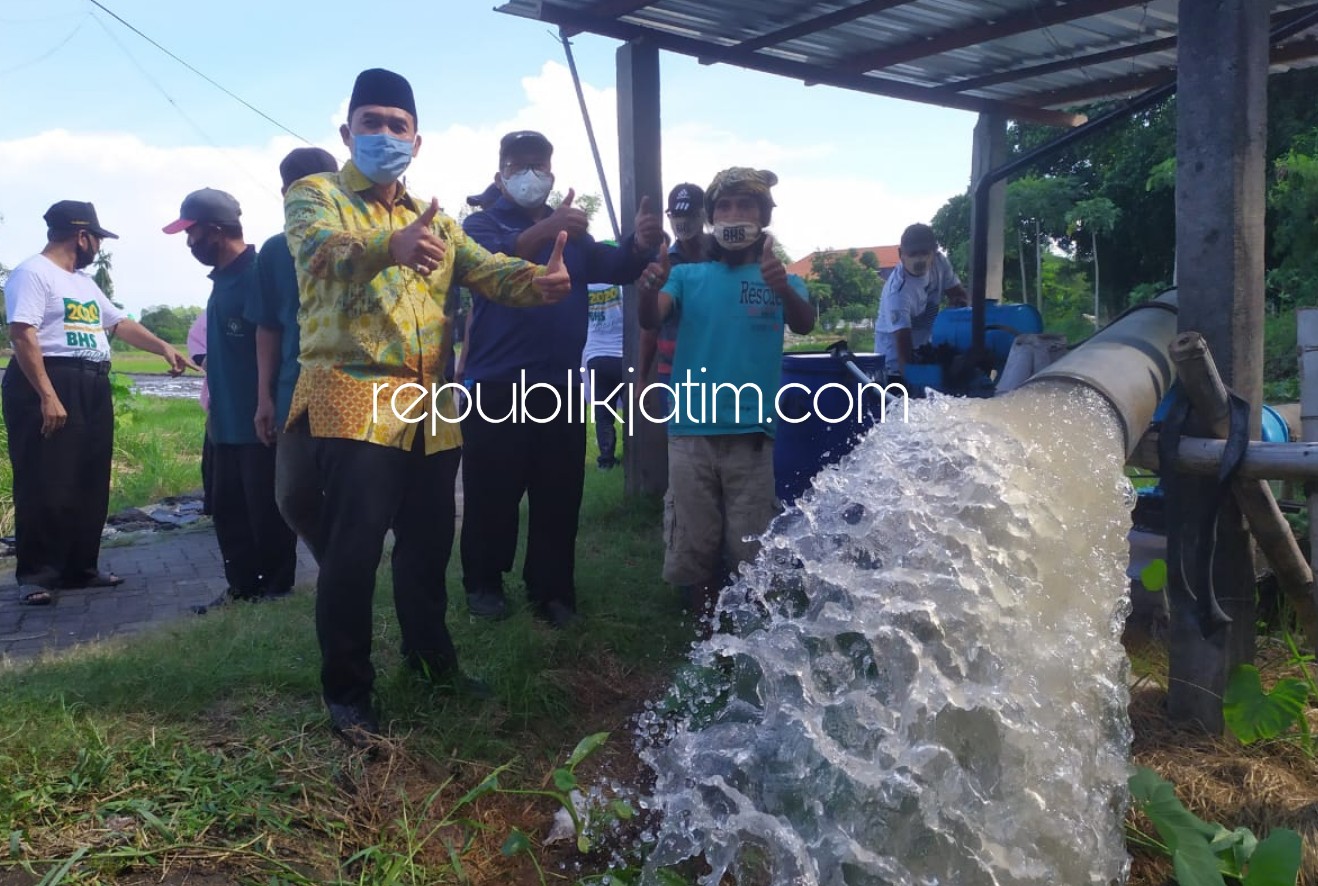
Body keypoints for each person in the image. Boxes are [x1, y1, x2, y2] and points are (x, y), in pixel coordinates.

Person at [283, 69, 572, 743]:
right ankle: (348, 691)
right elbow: (317, 250)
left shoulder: (439, 219)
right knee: (352, 552)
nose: (384, 134)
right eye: (371, 121)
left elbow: (490, 270)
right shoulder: (315, 194)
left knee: (427, 546)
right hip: (354, 392)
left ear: (418, 139)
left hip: (433, 404)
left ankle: (432, 663)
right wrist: (391, 244)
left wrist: (543, 281)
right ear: (346, 130)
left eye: (397, 124)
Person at [460, 130, 662, 627]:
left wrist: (639, 244)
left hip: (561, 387)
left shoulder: (571, 234)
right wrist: (548, 227)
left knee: (559, 494)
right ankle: (484, 584)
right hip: (495, 386)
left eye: (539, 164)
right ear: (500, 172)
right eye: (518, 164)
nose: (530, 173)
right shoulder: (479, 226)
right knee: (493, 493)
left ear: (551, 173)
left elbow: (614, 265)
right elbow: (499, 259)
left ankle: (552, 592)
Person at [638, 167, 814, 624]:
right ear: (712, 217)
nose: (735, 214)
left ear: (764, 215)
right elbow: (650, 318)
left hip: (753, 439)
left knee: (749, 547)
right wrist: (649, 287)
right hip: (691, 435)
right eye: (724, 206)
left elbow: (805, 323)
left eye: (746, 205)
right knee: (695, 543)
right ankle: (706, 633)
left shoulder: (782, 278)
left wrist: (781, 288)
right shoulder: (688, 276)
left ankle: (749, 634)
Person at [3, 200, 193, 605]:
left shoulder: (83, 283)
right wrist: (48, 395)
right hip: (49, 380)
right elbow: (22, 334)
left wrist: (162, 346)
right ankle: (38, 575)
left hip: (90, 383)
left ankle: (78, 568)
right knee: (45, 480)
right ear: (82, 236)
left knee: (88, 479)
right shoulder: (33, 273)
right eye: (97, 239)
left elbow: (118, 323)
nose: (98, 248)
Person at [164, 188, 299, 609]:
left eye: (193, 233)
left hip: (259, 417)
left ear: (217, 231)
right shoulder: (222, 280)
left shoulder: (259, 272)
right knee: (227, 509)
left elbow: (277, 342)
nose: (190, 243)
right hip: (224, 422)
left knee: (266, 510)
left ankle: (277, 588)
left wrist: (269, 402)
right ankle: (242, 586)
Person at [250, 147, 340, 558]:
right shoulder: (273, 251)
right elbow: (267, 326)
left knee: (357, 495)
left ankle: (351, 573)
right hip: (294, 393)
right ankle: (336, 563)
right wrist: (264, 397)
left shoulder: (365, 243)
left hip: (354, 391)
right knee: (294, 497)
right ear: (285, 193)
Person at [873, 223, 969, 380]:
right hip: (894, 366)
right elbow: (904, 354)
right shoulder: (898, 292)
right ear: (901, 254)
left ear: (934, 251)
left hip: (923, 353)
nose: (919, 259)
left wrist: (958, 308)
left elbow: (959, 294)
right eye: (912, 253)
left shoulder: (940, 264)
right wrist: (918, 383)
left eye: (924, 252)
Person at [640, 182, 710, 392]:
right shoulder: (664, 262)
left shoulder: (722, 257)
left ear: (704, 215)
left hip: (717, 365)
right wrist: (642, 377)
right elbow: (651, 326)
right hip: (673, 370)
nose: (682, 221)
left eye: (689, 214)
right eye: (676, 215)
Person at [582, 272, 624, 469]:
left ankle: (606, 459)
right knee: (634, 410)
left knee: (603, 411)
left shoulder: (586, 286)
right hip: (621, 354)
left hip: (595, 355)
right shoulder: (621, 283)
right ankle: (631, 454)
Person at [186, 312, 213, 515]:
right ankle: (214, 504)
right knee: (215, 454)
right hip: (221, 399)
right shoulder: (210, 314)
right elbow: (197, 348)